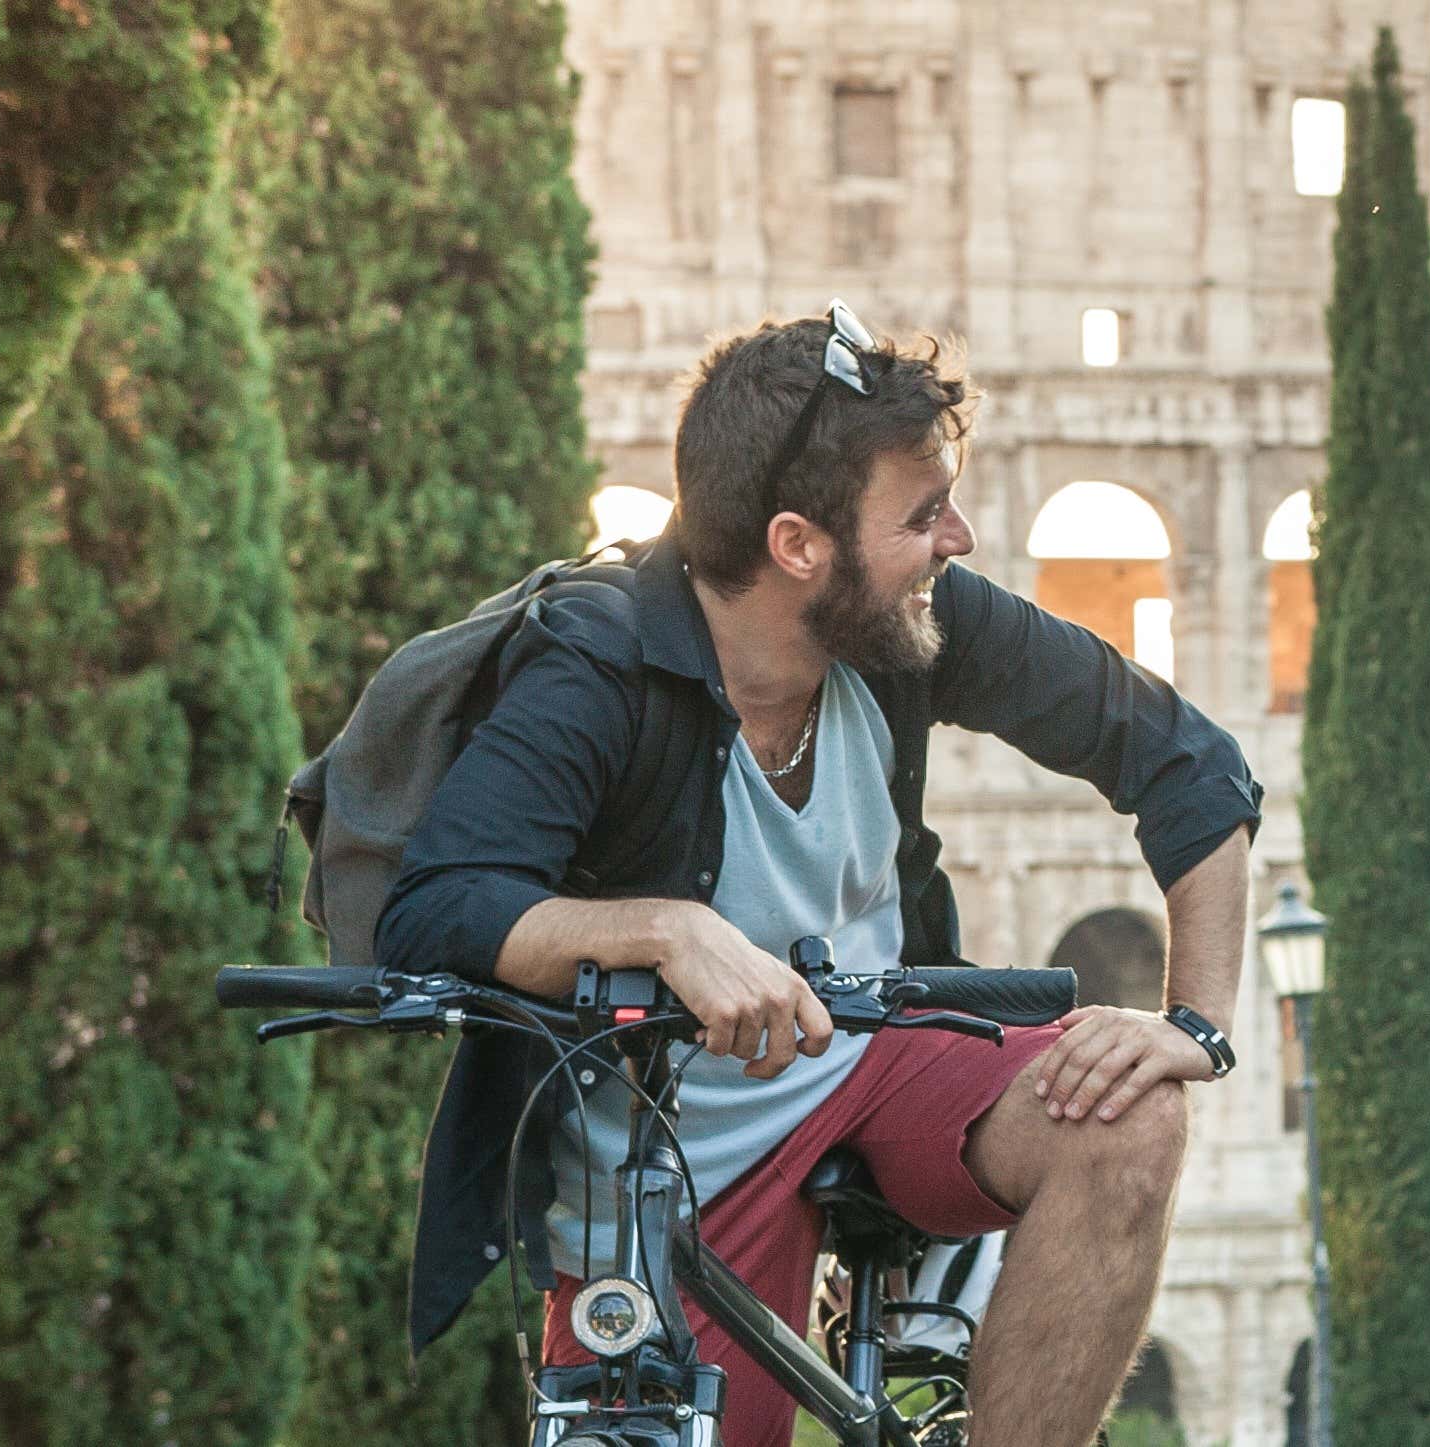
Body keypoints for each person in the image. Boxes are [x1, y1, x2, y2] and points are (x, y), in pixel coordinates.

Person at [381, 304, 1264, 1447]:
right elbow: (436, 909)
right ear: (800, 545)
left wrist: (1197, 1020)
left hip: (878, 1066)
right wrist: (660, 928)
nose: (960, 538)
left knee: (1127, 1120)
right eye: (923, 513)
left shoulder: (911, 623)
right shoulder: (594, 666)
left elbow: (1185, 760)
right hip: (666, 1160)